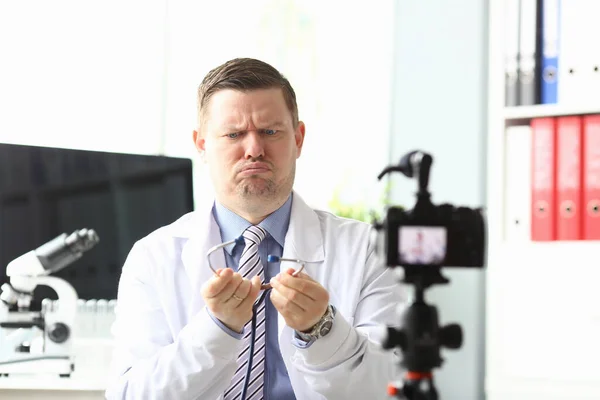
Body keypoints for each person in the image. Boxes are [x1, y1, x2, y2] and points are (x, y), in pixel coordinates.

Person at [105, 57, 406, 400]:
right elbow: (130, 395)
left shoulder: (367, 249)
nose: (254, 150)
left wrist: (322, 329)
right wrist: (214, 330)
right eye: (234, 134)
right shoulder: (153, 256)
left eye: (270, 132)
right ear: (202, 144)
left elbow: (389, 389)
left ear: (298, 139)